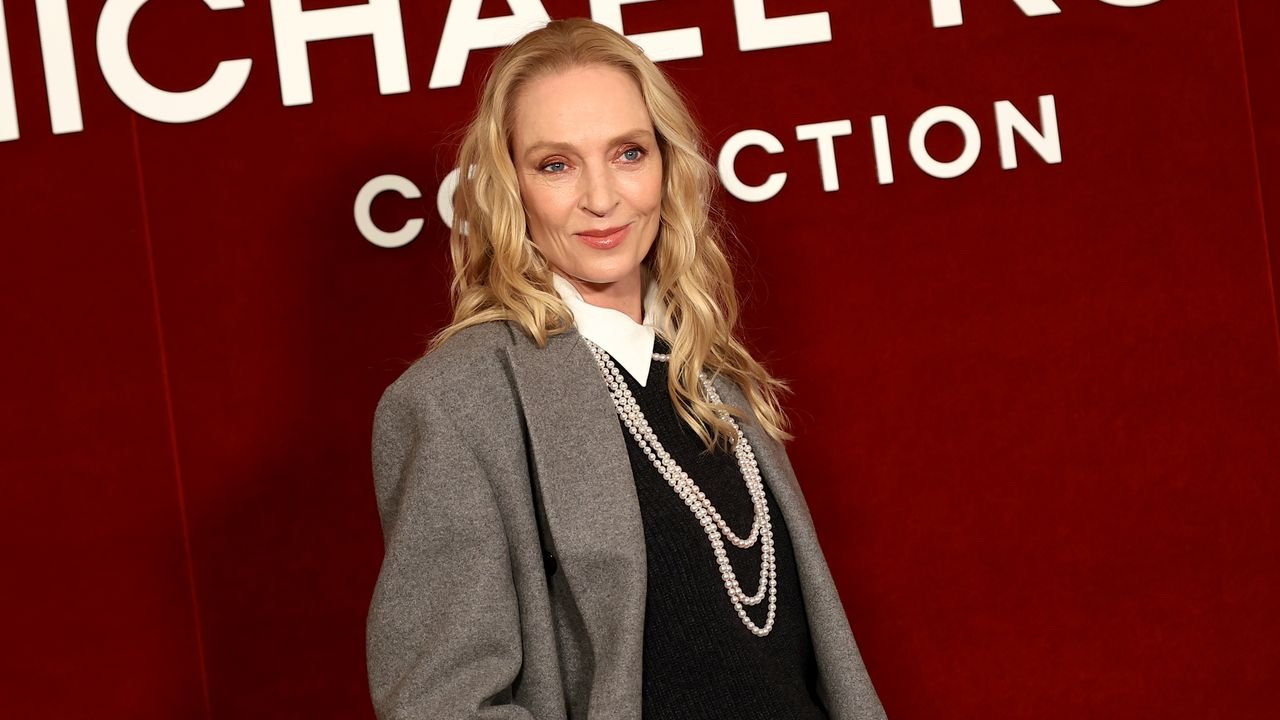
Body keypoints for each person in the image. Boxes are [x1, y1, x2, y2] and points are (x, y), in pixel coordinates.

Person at [365, 17, 887, 720]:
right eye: (556, 165)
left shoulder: (709, 369)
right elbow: (441, 704)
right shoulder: (458, 402)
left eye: (628, 153)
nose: (602, 198)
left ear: (667, 166)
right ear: (510, 187)